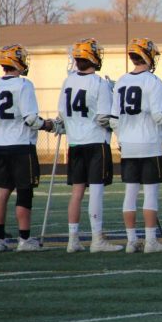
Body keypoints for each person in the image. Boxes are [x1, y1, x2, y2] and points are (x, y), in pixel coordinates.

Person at [0, 44, 57, 251]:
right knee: (24, 192)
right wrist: (48, 125)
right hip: (20, 146)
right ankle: (24, 239)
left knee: (1, 191)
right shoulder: (23, 85)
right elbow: (31, 120)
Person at [110, 38, 162, 254]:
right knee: (150, 193)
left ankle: (131, 241)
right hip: (148, 143)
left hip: (128, 144)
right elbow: (158, 117)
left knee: (130, 192)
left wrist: (121, 137)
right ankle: (150, 241)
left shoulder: (121, 81)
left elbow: (113, 119)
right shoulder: (153, 82)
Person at [56, 38, 121, 253]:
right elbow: (103, 117)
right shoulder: (99, 83)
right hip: (95, 142)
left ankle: (72, 239)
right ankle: (96, 239)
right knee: (95, 191)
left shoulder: (68, 81)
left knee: (76, 192)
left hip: (74, 142)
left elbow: (63, 114)